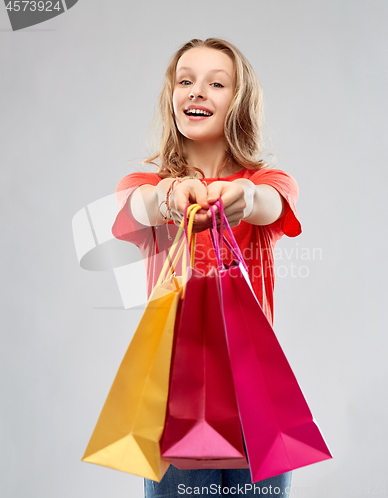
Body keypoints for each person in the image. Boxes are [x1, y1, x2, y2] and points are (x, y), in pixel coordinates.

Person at [112, 38, 301, 498]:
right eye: (185, 80)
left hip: (256, 408)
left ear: (238, 102)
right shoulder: (143, 185)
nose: (197, 91)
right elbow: (140, 205)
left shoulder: (266, 182)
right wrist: (169, 198)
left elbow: (270, 202)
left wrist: (246, 199)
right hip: (174, 411)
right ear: (171, 96)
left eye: (216, 83)